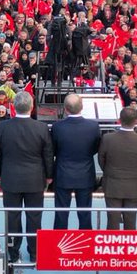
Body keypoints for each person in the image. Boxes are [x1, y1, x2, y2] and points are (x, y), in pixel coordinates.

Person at [0, 90, 52, 263]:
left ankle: (13, 253)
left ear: (13, 107)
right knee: (34, 217)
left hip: (10, 179)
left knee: (12, 217)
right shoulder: (41, 128)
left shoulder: (1, 127)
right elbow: (48, 155)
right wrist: (49, 176)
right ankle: (35, 253)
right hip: (35, 180)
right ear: (32, 107)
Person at [51, 93, 102, 230]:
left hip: (63, 174)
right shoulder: (93, 126)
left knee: (61, 215)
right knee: (85, 214)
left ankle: (59, 242)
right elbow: (95, 148)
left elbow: (53, 150)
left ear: (65, 108)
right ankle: (85, 242)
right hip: (85, 174)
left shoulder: (57, 127)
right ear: (82, 107)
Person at [97, 106, 137, 230]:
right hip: (134, 185)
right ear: (136, 121)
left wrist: (110, 172)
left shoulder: (108, 138)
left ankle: (112, 243)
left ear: (119, 120)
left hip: (112, 184)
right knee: (131, 221)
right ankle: (129, 243)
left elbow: (101, 160)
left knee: (112, 221)